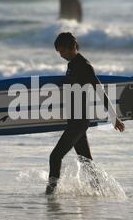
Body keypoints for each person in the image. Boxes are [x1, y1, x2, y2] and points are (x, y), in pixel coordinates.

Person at [46, 32, 125, 195]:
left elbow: (100, 90)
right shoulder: (71, 65)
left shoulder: (84, 65)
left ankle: (50, 193)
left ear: (73, 47)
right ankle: (100, 191)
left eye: (63, 51)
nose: (61, 55)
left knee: (55, 156)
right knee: (86, 161)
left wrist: (113, 116)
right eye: (59, 52)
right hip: (74, 120)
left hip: (79, 121)